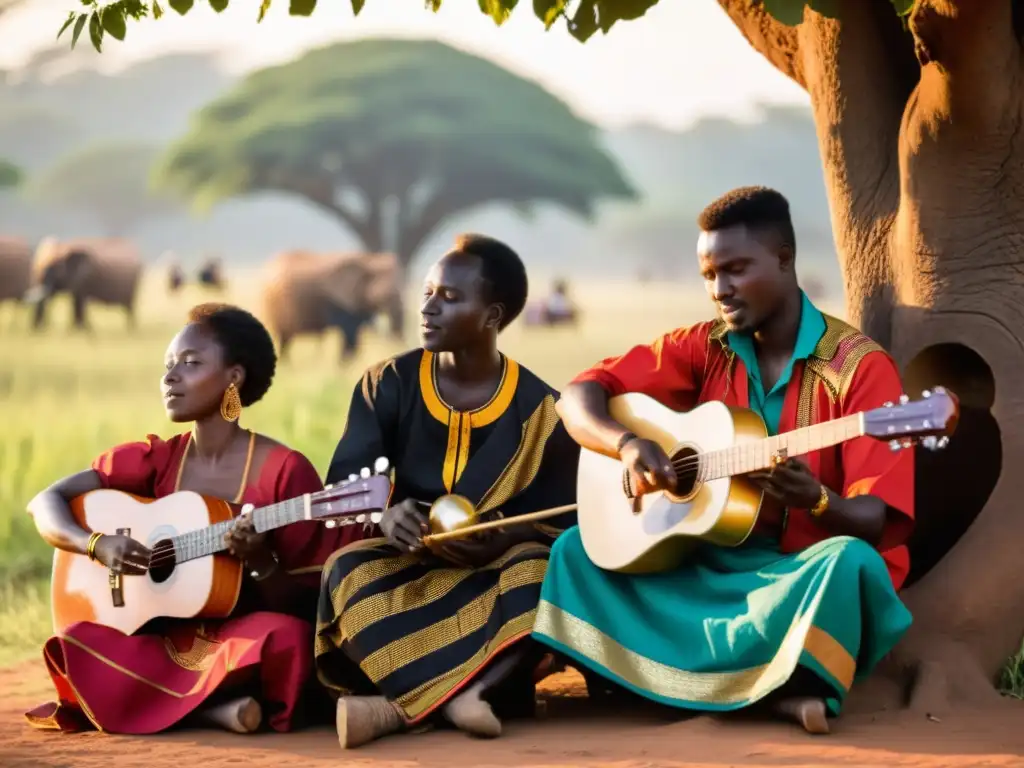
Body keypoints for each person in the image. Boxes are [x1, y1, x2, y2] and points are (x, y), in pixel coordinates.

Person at [532, 187, 915, 734]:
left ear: (785, 259)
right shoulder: (703, 346)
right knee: (576, 550)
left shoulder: (860, 369)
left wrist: (819, 500)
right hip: (702, 561)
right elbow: (579, 394)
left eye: (735, 270)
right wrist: (627, 444)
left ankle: (661, 682)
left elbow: (876, 523)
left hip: (793, 575)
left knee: (850, 566)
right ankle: (766, 690)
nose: (719, 290)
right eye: (709, 275)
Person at [24, 303, 366, 735]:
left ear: (233, 377)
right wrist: (96, 544)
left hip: (238, 635)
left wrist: (260, 562)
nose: (170, 377)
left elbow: (306, 603)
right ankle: (211, 710)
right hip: (159, 635)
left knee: (290, 640)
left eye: (190, 363)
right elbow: (46, 502)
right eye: (168, 365)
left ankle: (170, 703)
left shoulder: (283, 470)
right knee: (76, 642)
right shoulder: (159, 458)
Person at [314, 233, 579, 749]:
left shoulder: (544, 410)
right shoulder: (387, 382)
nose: (428, 307)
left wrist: (504, 538)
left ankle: (412, 705)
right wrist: (385, 519)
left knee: (543, 572)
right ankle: (466, 694)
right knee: (344, 571)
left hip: (493, 574)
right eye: (429, 292)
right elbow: (344, 490)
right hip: (406, 562)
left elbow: (561, 521)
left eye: (450, 297)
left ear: (492, 316)